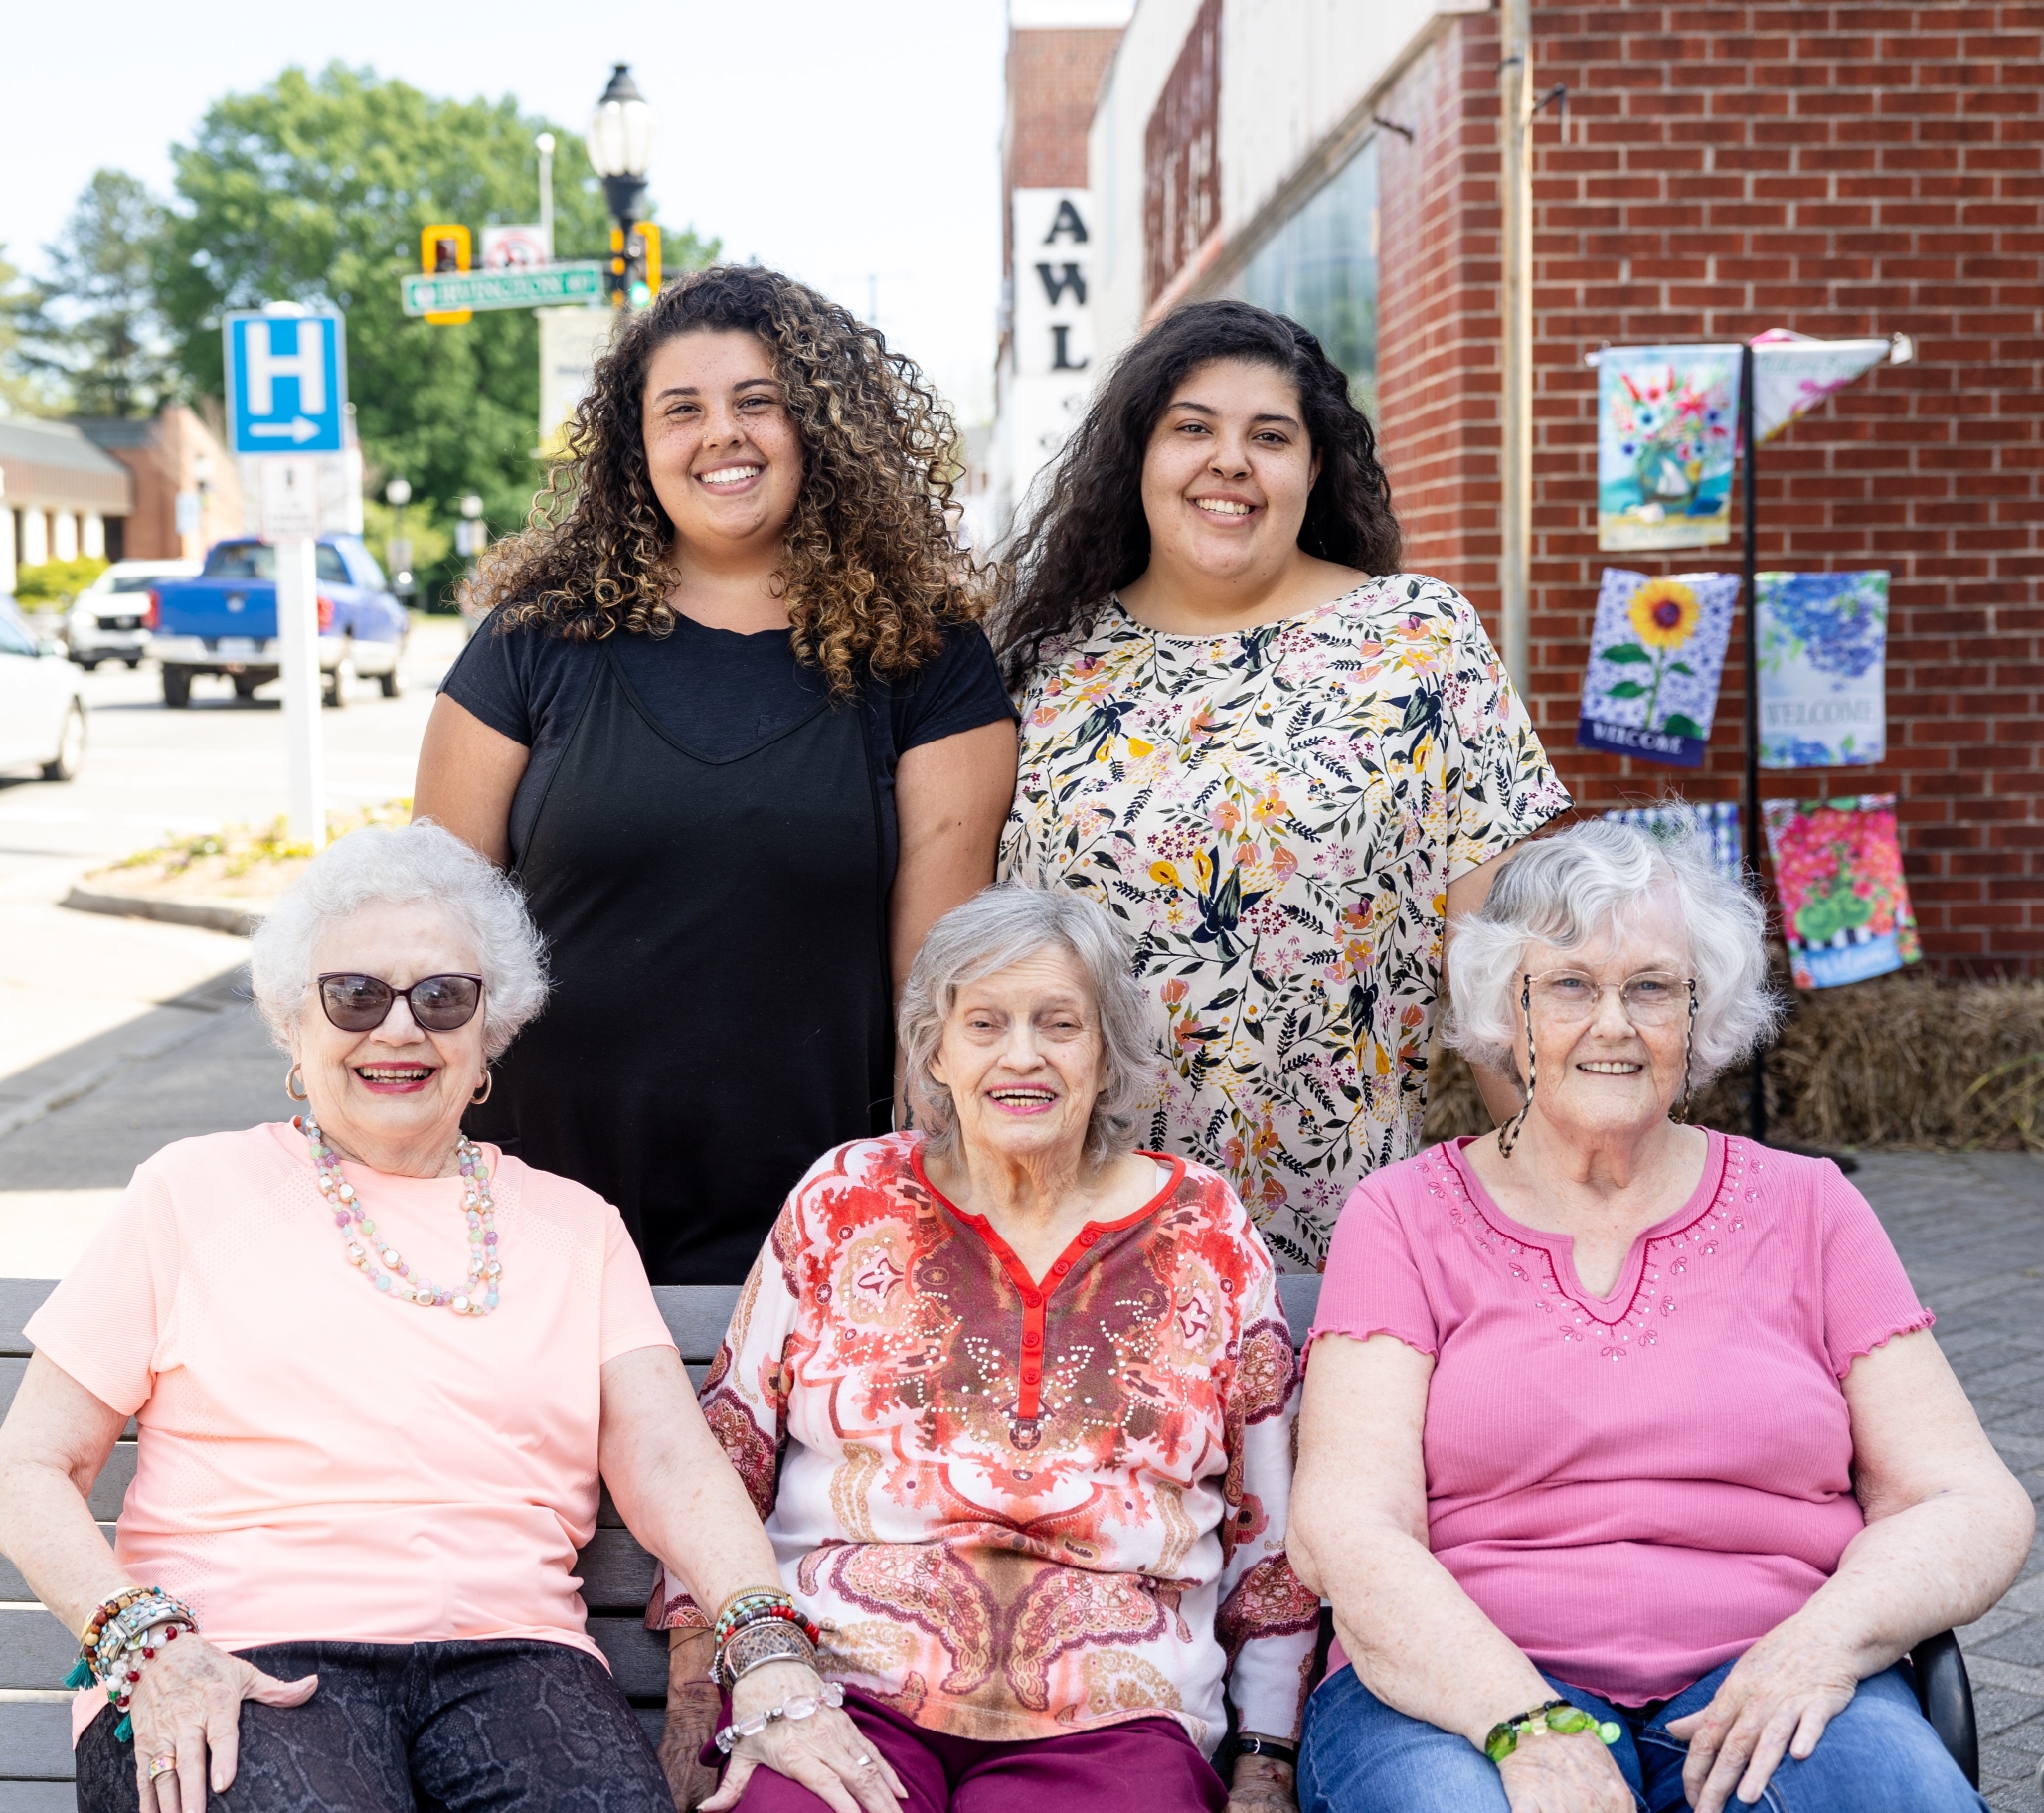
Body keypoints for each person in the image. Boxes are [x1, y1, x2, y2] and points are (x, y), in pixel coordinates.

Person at [0, 824, 897, 1813]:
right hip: (230, 1655)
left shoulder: (575, 1228)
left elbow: (670, 1459)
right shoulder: (189, 1193)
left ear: (489, 1037)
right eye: (354, 995)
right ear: (294, 1024)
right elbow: (30, 1462)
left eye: (442, 998)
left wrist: (764, 1642)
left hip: (511, 1659)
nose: (397, 1030)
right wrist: (144, 1643)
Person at [1286, 820, 2034, 1813]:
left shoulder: (1808, 1206)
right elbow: (1346, 1524)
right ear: (1503, 1012)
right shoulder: (1402, 1214)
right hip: (1464, 1688)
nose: (1611, 1024)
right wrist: (1523, 1722)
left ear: (1701, 1012)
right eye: (1565, 985)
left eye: (1650, 987)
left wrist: (1819, 1646)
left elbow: (1966, 1501)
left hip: (1765, 1671)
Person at [649, 887, 1320, 1813]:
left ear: (1106, 1051)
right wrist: (696, 1696)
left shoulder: (1202, 1225)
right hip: (844, 1689)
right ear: (935, 1049)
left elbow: (1267, 1523)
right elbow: (728, 1455)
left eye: (1059, 1024)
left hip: (1116, 1714)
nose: (1022, 1055)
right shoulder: (845, 1196)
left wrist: (1265, 1759)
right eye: (985, 1023)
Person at [415, 264, 1019, 1285]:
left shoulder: (927, 660)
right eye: (680, 409)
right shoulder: (530, 646)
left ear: (820, 427)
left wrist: (922, 1223)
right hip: (538, 1219)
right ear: (634, 443)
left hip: (815, 1226)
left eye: (757, 402)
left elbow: (937, 990)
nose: (719, 435)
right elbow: (429, 947)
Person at [996, 299, 1569, 1271]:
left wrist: (1576, 1217)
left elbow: (1498, 980)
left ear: (1313, 469)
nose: (1230, 461)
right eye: (1192, 429)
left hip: (1344, 1246)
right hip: (1078, 1233)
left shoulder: (1418, 639)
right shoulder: (1044, 668)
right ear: (1136, 456)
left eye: (1269, 436)